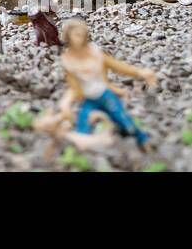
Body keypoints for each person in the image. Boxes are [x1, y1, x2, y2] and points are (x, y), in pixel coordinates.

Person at [57, 17, 157, 150]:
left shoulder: (94, 52)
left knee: (124, 120)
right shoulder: (67, 59)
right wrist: (66, 101)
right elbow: (74, 86)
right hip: (88, 99)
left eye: (82, 35)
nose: (79, 38)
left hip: (104, 94)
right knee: (82, 126)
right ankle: (84, 155)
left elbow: (117, 66)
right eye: (76, 35)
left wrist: (139, 72)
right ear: (68, 36)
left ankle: (143, 141)